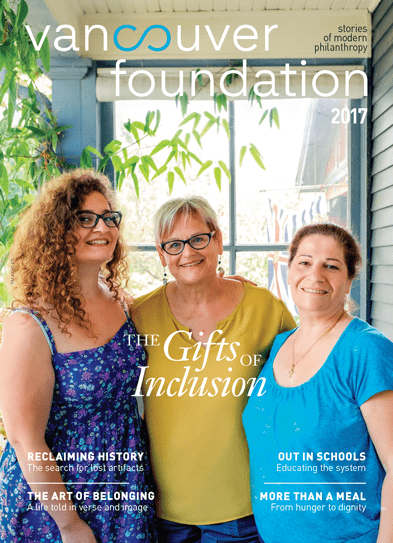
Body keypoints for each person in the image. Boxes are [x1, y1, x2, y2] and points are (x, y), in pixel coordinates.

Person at [0, 170, 157, 543]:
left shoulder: (120, 301)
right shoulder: (29, 323)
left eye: (108, 217)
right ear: (56, 232)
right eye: (85, 219)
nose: (101, 227)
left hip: (123, 482)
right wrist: (69, 525)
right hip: (57, 501)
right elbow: (25, 439)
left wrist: (222, 283)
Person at [131, 196, 296, 543]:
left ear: (217, 240)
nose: (187, 252)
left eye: (198, 239)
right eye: (174, 244)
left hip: (244, 508)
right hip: (164, 512)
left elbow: (304, 382)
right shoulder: (138, 316)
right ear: (161, 255)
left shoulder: (264, 307)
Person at [243, 223, 393, 543]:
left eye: (331, 266)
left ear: (350, 278)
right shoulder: (279, 346)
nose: (316, 275)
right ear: (289, 271)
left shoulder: (365, 349)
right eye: (305, 262)